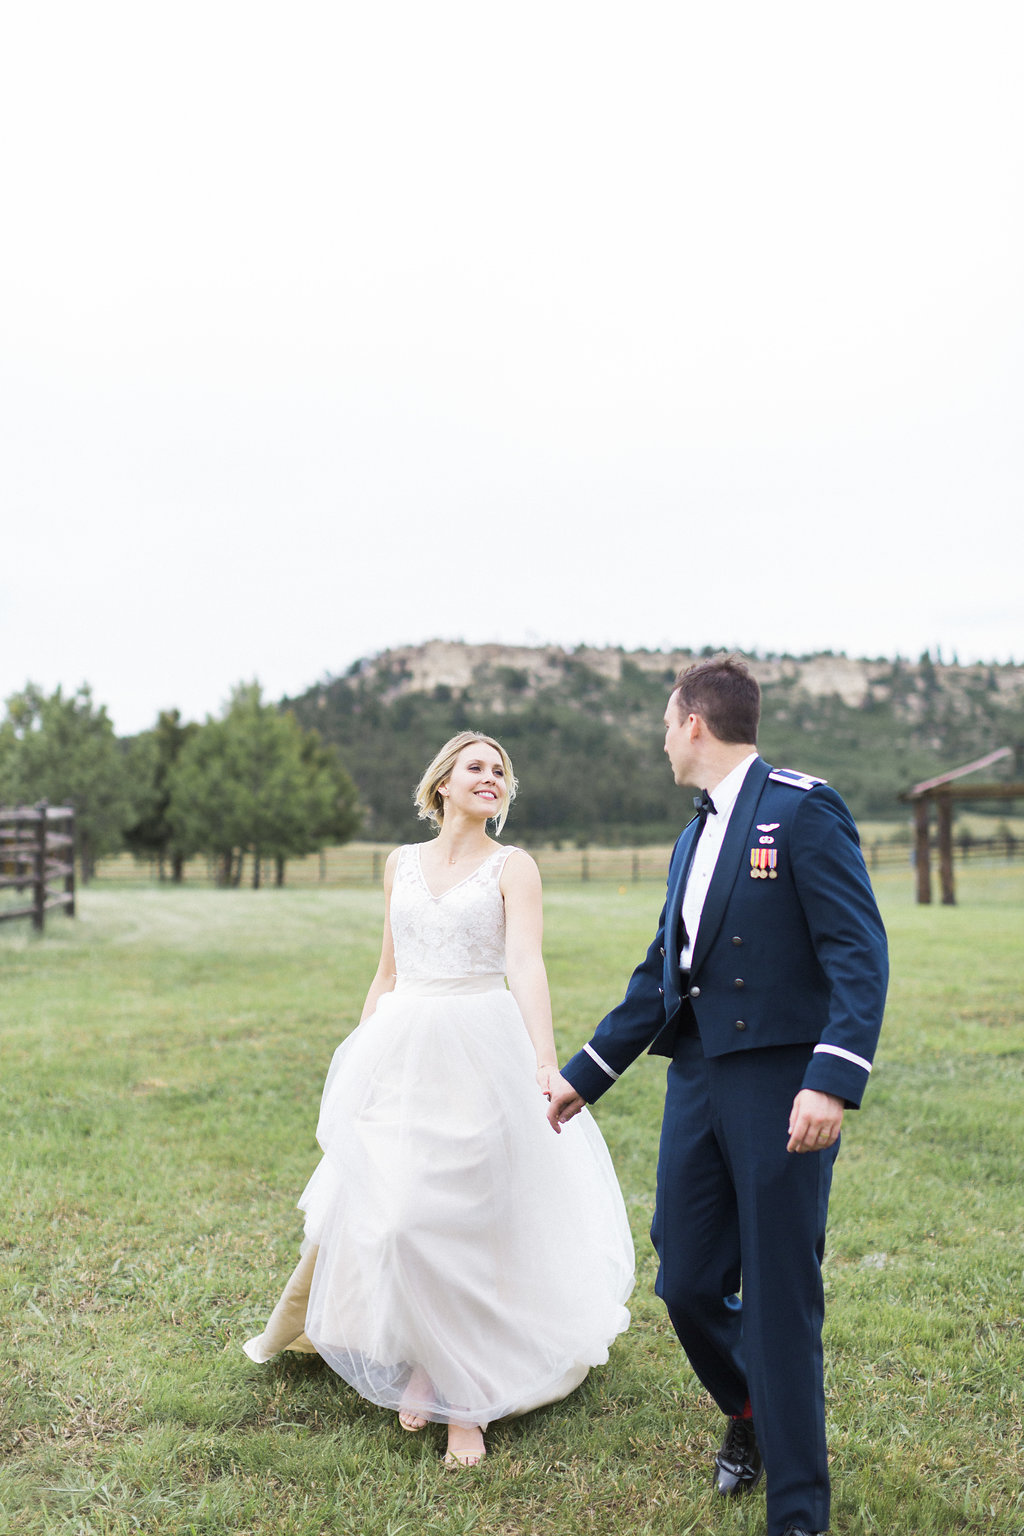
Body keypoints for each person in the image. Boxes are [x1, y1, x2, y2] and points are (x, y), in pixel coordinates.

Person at [547, 656, 888, 1536]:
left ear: (694, 723)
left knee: (779, 1296)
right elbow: (664, 974)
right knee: (687, 1278)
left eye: (666, 723)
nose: (662, 740)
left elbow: (859, 951)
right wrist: (585, 1074)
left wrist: (832, 1078)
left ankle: (799, 1513)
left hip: (782, 1085)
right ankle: (750, 1411)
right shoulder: (691, 836)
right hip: (697, 1083)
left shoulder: (803, 809)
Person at [243, 731, 633, 1468]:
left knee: (464, 1217)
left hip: (482, 1046)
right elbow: (387, 971)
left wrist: (546, 1062)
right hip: (402, 1047)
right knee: (393, 1218)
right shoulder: (398, 865)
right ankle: (422, 1352)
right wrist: (359, 1058)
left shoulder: (515, 868)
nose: (492, 779)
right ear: (443, 784)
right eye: (477, 768)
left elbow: (527, 966)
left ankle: (463, 1399)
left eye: (501, 773)